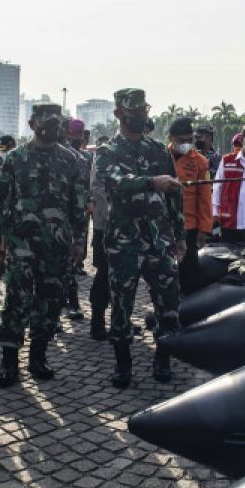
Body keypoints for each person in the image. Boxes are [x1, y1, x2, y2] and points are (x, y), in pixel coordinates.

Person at [93, 88, 186, 388]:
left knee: (168, 302)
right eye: (133, 114)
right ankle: (123, 364)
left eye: (143, 113)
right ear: (119, 114)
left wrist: (180, 236)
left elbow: (174, 197)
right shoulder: (107, 152)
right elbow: (115, 182)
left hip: (159, 240)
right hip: (124, 242)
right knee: (121, 305)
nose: (140, 118)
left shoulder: (159, 151)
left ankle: (163, 357)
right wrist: (151, 182)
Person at [0, 103, 87, 387]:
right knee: (17, 298)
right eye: (47, 123)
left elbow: (78, 204)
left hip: (57, 243)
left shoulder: (72, 160)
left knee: (50, 299)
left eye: (57, 123)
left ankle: (38, 357)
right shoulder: (15, 159)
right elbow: (1, 201)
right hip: (21, 241)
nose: (53, 128)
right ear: (33, 124)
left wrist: (80, 242)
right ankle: (9, 361)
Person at [169, 117, 212, 294]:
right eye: (182, 141)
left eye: (190, 140)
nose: (186, 144)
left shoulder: (200, 161)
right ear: (171, 138)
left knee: (189, 274)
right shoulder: (161, 157)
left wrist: (204, 229)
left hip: (189, 227)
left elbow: (205, 197)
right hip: (164, 227)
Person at [60, 118, 92, 322]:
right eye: (71, 136)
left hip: (75, 215)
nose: (74, 140)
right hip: (53, 217)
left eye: (78, 137)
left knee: (70, 261)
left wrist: (89, 202)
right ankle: (54, 311)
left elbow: (88, 186)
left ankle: (72, 301)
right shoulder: (54, 156)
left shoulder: (84, 159)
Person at [88, 134, 113, 340]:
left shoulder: (145, 151)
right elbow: (97, 188)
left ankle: (121, 320)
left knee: (124, 277)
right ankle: (97, 321)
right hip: (105, 227)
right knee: (104, 274)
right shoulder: (105, 152)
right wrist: (113, 217)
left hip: (130, 229)